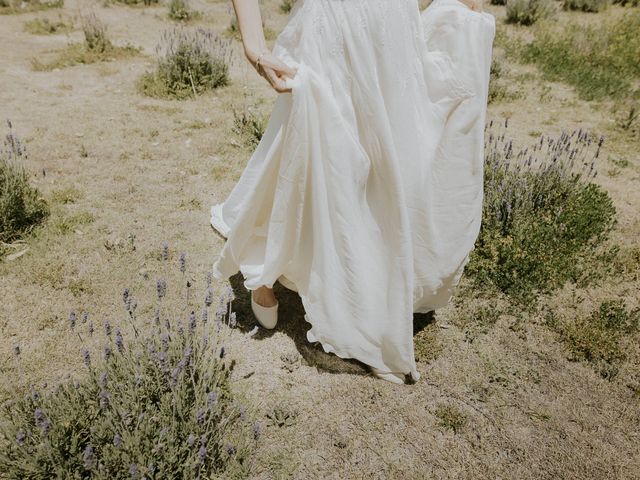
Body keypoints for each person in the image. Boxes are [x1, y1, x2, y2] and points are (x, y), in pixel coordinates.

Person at [210, 0, 496, 384]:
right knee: (317, 147)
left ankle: (366, 289)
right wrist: (255, 49)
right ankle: (268, 265)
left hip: (392, 31)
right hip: (327, 23)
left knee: (387, 166)